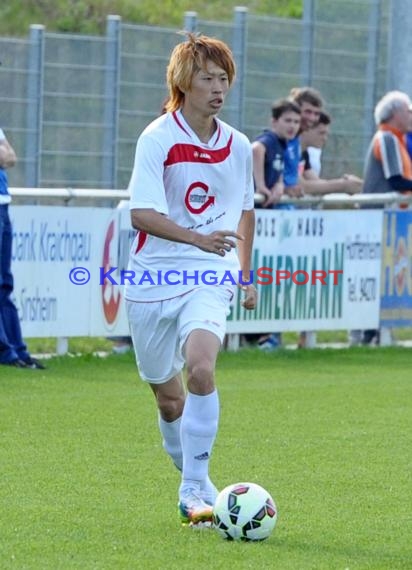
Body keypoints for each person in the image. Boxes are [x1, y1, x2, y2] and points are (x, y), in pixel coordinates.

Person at [124, 33, 257, 526]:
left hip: (210, 272)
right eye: (208, 78)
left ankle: (191, 489)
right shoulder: (158, 137)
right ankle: (195, 479)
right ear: (185, 82)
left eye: (224, 79)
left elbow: (245, 213)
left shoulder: (238, 144)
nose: (218, 88)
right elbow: (140, 214)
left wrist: (243, 273)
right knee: (168, 395)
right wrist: (195, 239)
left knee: (201, 367)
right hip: (152, 277)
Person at [354, 90, 412, 346]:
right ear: (395, 113)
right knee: (374, 275)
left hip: (387, 219)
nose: (411, 115)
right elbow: (396, 180)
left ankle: (375, 332)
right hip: (376, 219)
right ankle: (366, 334)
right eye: (408, 110)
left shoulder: (397, 139)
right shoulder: (387, 137)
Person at [251, 98, 301, 350]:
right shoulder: (269, 139)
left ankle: (261, 335)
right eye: (288, 120)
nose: (292, 126)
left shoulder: (283, 144)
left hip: (266, 221)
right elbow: (256, 150)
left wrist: (279, 184)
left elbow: (279, 170)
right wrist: (260, 184)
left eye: (296, 121)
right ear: (274, 121)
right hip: (253, 217)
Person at [0, 128, 45, 369]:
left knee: (5, 282)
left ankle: (17, 350)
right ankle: (6, 351)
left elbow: (10, 157)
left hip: (3, 204)